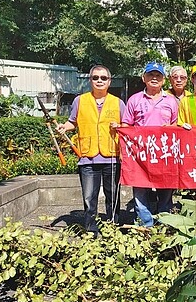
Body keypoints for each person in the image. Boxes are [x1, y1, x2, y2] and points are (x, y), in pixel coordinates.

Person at [56, 65, 125, 235]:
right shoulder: (80, 100)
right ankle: (90, 229)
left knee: (113, 196)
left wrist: (120, 126)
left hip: (111, 157)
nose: (99, 81)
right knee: (89, 197)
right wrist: (64, 127)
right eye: (95, 77)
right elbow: (73, 121)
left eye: (103, 78)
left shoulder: (118, 103)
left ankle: (113, 227)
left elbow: (127, 126)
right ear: (90, 80)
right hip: (87, 156)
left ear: (109, 81)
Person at [122, 62, 178, 227]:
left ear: (163, 80)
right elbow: (126, 126)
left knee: (166, 190)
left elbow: (176, 126)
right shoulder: (134, 100)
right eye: (151, 75)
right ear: (143, 78)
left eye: (158, 76)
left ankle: (164, 223)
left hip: (164, 153)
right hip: (140, 154)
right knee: (140, 190)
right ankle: (145, 225)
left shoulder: (171, 101)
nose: (154, 78)